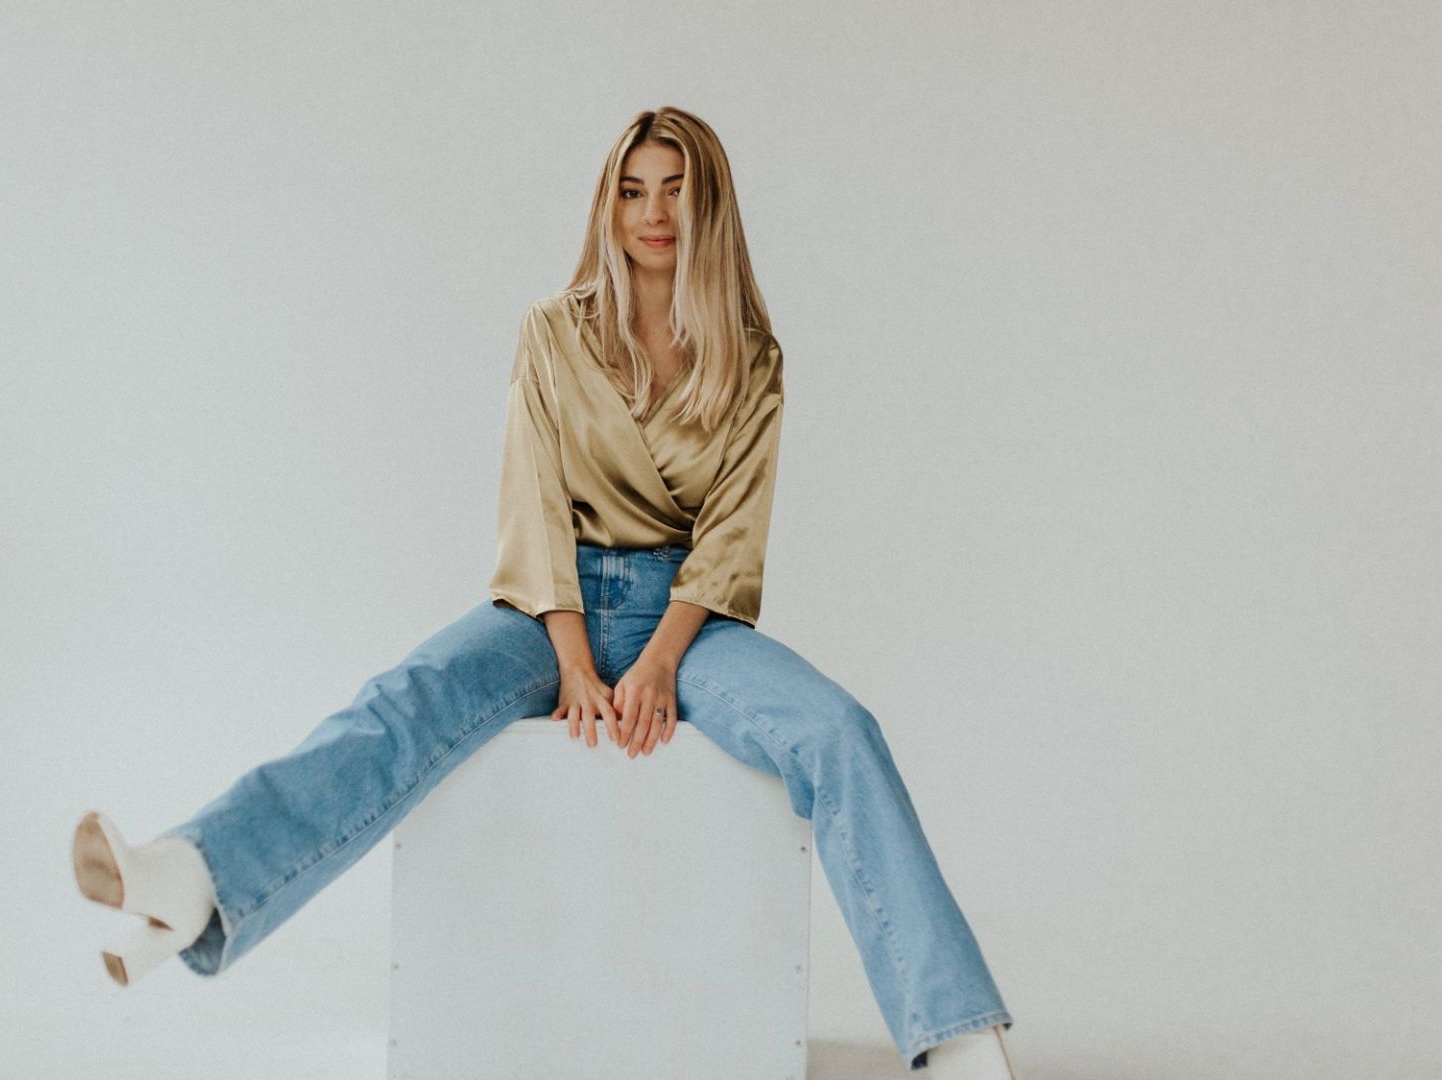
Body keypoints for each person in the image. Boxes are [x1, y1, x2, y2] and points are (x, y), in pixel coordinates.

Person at [70, 106, 1019, 1078]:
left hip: (688, 622)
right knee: (405, 702)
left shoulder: (753, 359)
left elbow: (731, 536)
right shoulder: (554, 333)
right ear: (609, 207)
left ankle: (955, 1033)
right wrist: (571, 656)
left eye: (677, 191)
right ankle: (193, 875)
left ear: (711, 206)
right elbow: (532, 504)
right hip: (546, 608)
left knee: (838, 730)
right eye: (632, 191)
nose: (654, 213)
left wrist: (660, 661)